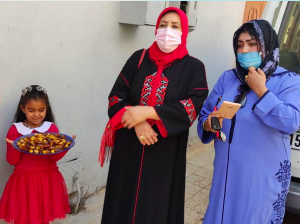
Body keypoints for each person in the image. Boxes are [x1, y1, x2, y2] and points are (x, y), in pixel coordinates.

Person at [101, 7, 208, 224]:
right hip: (129, 144)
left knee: (156, 205)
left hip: (164, 150)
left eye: (175, 26)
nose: (167, 31)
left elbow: (192, 106)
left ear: (184, 31)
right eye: (163, 25)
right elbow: (116, 96)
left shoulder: (193, 67)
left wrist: (148, 112)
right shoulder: (138, 58)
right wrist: (139, 123)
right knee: (122, 200)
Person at [197, 19, 300, 224]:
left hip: (261, 180)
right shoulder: (229, 78)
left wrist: (261, 90)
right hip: (225, 177)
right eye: (240, 45)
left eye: (252, 44)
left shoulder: (288, 80)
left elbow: (291, 121)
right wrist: (209, 123)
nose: (244, 50)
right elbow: (205, 115)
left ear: (267, 45)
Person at [0, 85, 70, 224]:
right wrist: (14, 145)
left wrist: (65, 146)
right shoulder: (15, 130)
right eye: (31, 110)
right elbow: (12, 161)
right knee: (23, 218)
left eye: (41, 110)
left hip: (48, 179)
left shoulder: (51, 128)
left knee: (44, 217)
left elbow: (53, 157)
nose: (36, 114)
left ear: (47, 108)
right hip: (24, 182)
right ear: (23, 109)